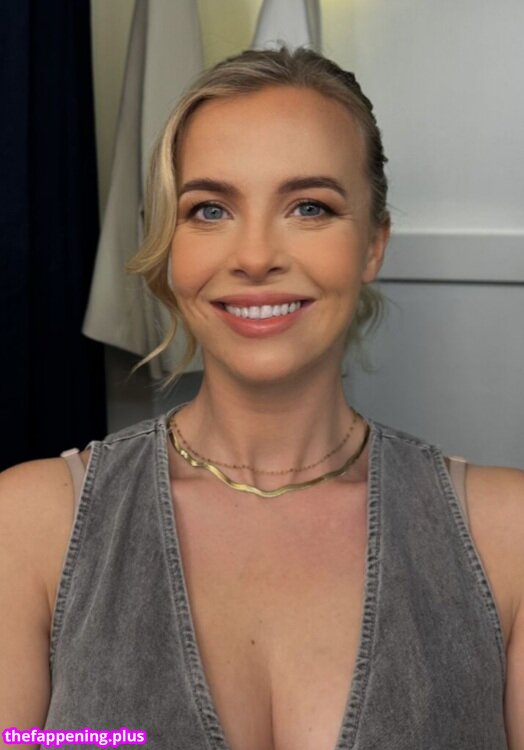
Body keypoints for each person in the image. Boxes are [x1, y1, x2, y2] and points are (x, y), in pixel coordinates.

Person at [1, 45, 523, 750]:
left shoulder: (506, 535)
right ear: (171, 245)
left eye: (309, 207)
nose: (253, 257)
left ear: (374, 244)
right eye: (210, 210)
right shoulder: (28, 527)